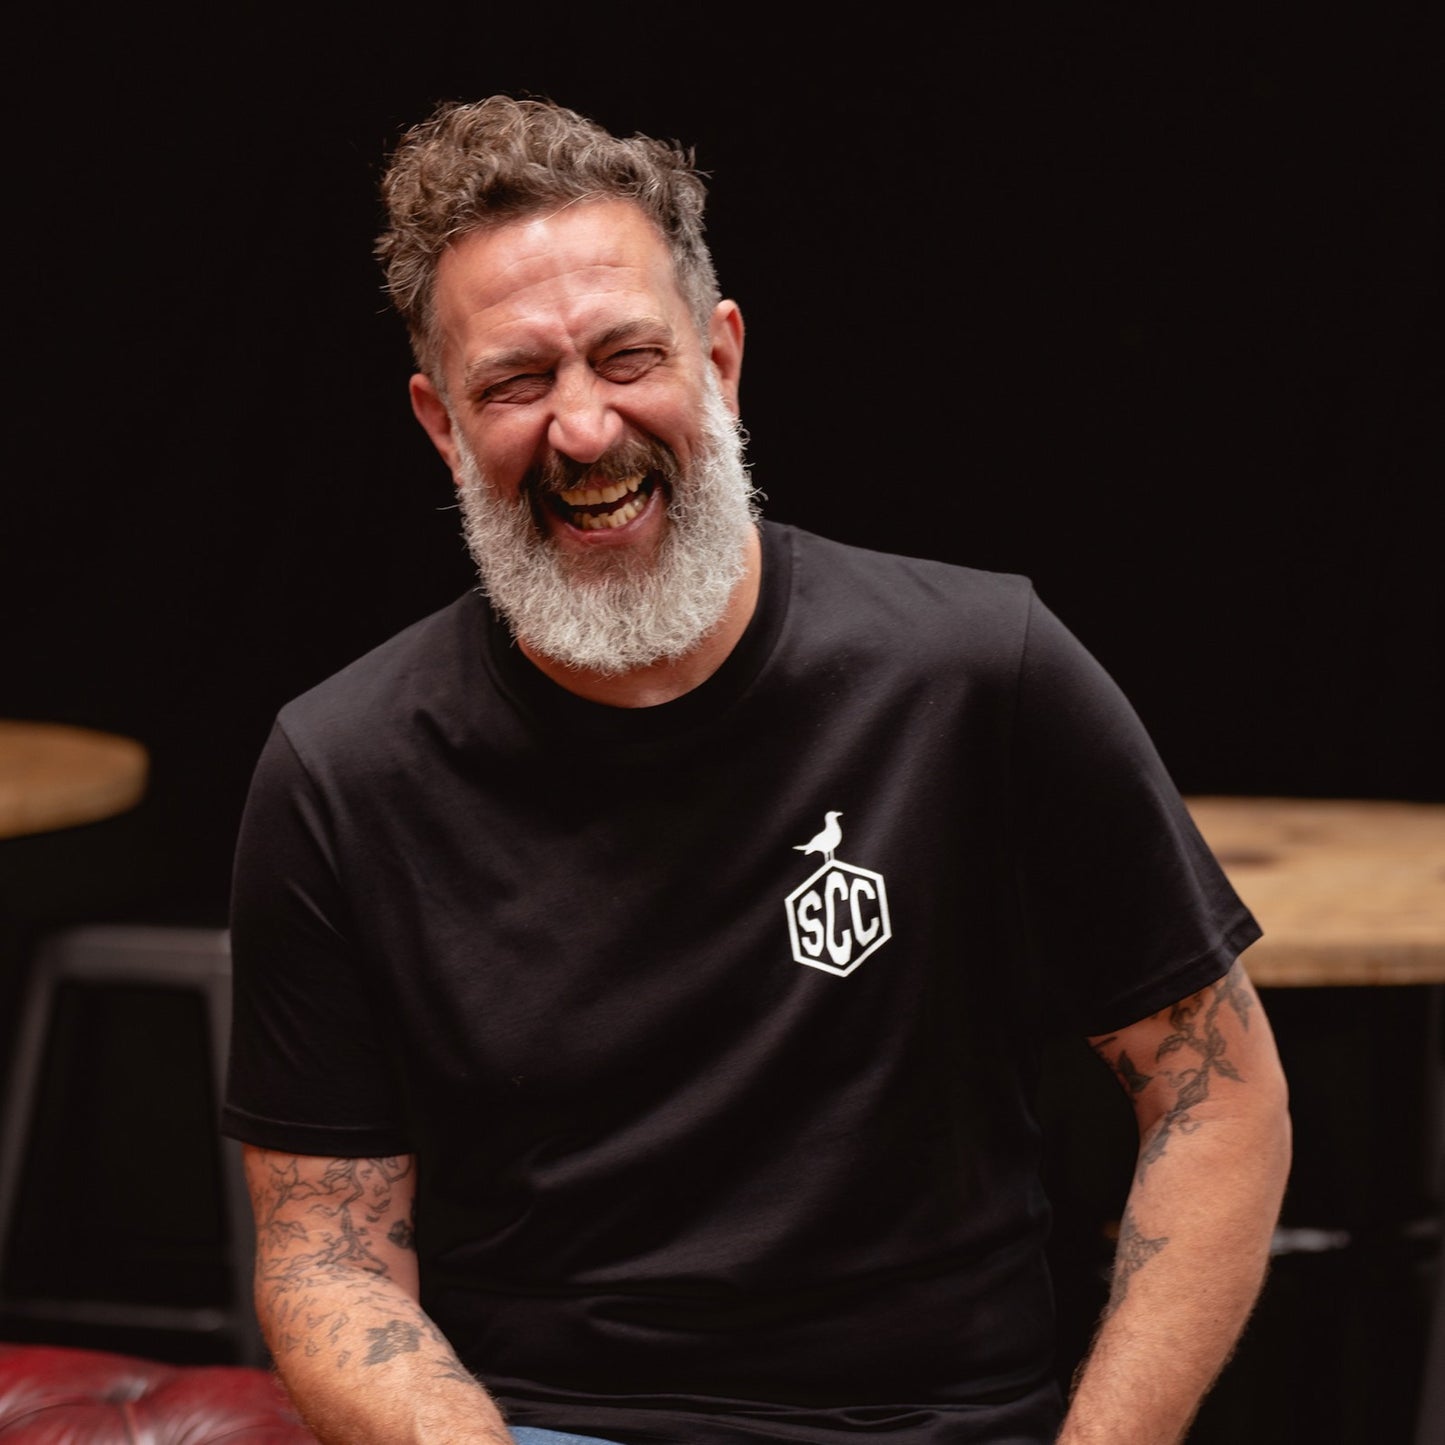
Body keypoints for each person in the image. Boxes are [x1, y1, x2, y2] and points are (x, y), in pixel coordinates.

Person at [222, 94, 1291, 1445]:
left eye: (626, 356)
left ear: (719, 359)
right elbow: (322, 1247)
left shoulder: (979, 670)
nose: (584, 429)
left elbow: (1220, 1097)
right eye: (514, 382)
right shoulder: (340, 771)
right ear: (441, 423)